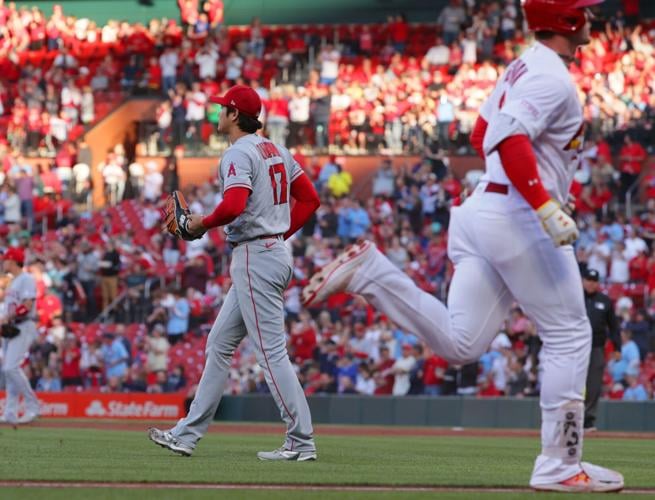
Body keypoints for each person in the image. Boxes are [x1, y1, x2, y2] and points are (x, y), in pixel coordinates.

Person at [301, 0, 623, 492]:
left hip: (482, 211)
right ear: (568, 20)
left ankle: (371, 274)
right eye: (584, 10)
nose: (592, 17)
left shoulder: (522, 65)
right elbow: (508, 139)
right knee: (571, 335)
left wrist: (534, 188)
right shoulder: (550, 76)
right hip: (516, 217)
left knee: (462, 344)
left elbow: (483, 132)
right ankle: (560, 464)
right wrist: (541, 203)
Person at [149, 84, 320, 461]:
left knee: (272, 353)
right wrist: (278, 232)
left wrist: (201, 224)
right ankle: (187, 434)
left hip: (256, 255)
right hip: (270, 250)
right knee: (219, 344)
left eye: (221, 110)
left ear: (233, 115)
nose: (216, 115)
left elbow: (234, 204)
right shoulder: (276, 149)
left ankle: (301, 440)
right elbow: (310, 198)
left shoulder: (238, 153)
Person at [1, 247, 40, 424]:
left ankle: (33, 406)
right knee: (8, 371)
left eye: (6, 259)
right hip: (12, 328)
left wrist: (9, 316)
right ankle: (10, 412)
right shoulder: (12, 281)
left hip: (24, 325)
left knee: (11, 368)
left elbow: (28, 305)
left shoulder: (26, 279)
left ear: (13, 261)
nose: (3, 262)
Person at [581, 268, 619, 431]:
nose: (591, 283)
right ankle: (567, 417)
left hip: (596, 346)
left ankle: (588, 419)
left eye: (594, 280)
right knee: (570, 382)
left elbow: (614, 326)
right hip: (575, 346)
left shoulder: (604, 300)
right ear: (583, 281)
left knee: (594, 384)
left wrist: (617, 347)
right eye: (588, 280)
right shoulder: (575, 298)